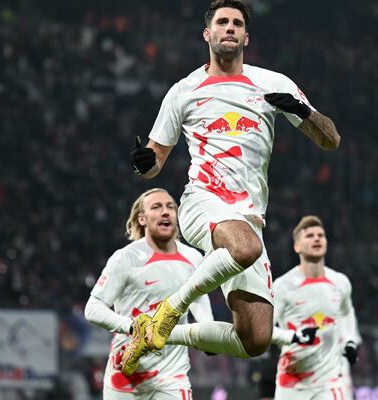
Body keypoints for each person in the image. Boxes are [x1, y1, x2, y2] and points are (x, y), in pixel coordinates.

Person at [121, 0, 341, 375]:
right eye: (222, 22)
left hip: (248, 215)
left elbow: (330, 140)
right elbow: (154, 162)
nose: (229, 28)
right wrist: (144, 163)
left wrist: (304, 113)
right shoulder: (184, 91)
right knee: (246, 246)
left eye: (237, 23)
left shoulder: (273, 83)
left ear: (246, 37)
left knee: (254, 339)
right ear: (208, 34)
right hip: (202, 202)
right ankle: (169, 310)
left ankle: (155, 331)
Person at [84, 188, 214, 399]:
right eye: (157, 207)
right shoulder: (125, 258)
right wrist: (131, 327)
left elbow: (198, 297)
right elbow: (93, 309)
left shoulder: (193, 258)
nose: (166, 212)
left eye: (170, 207)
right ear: (142, 219)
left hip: (172, 376)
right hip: (125, 374)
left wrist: (207, 331)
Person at [269, 216, 360, 399]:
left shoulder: (340, 282)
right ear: (297, 247)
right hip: (293, 382)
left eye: (321, 235)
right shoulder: (282, 286)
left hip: (330, 382)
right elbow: (264, 332)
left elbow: (347, 312)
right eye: (309, 235)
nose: (317, 238)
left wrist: (350, 340)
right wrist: (293, 336)